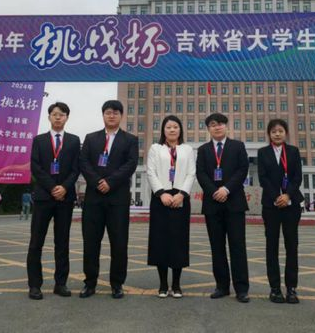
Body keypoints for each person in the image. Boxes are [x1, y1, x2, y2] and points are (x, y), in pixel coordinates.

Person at [79, 100, 139, 299]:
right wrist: (97, 182)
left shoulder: (130, 140)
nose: (111, 115)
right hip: (94, 198)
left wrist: (110, 182)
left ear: (121, 115)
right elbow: (83, 162)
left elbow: (131, 164)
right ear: (103, 115)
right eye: (108, 112)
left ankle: (117, 283)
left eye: (115, 112)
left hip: (118, 199)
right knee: (91, 242)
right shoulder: (91, 138)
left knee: (119, 242)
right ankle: (90, 283)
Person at [26, 102, 81, 300]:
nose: (58, 117)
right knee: (36, 241)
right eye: (55, 114)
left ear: (67, 117)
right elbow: (36, 167)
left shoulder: (74, 141)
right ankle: (34, 285)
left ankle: (61, 283)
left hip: (65, 198)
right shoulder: (39, 140)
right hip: (43, 197)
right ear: (49, 117)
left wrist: (64, 187)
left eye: (62, 114)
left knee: (62, 242)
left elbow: (76, 168)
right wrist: (52, 187)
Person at [196, 113, 250, 303]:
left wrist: (226, 189)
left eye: (220, 124)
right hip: (212, 204)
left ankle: (241, 288)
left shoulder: (238, 146)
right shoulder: (203, 150)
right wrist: (214, 191)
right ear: (208, 129)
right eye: (213, 124)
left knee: (237, 246)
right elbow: (201, 173)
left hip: (234, 203)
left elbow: (242, 170)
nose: (217, 127)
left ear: (226, 126)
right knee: (217, 247)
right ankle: (222, 286)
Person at [146, 115, 196, 298]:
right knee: (160, 241)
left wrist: (182, 194)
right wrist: (161, 193)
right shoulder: (155, 148)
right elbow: (151, 172)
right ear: (163, 130)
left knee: (178, 241)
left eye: (175, 126)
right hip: (161, 198)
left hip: (180, 198)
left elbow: (191, 173)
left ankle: (176, 284)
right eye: (168, 127)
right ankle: (162, 284)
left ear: (180, 130)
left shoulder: (187, 149)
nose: (172, 130)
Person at [257, 119, 304, 304]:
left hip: (291, 205)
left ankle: (291, 288)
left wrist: (287, 195)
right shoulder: (263, 152)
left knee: (292, 246)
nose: (277, 134)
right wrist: (277, 196)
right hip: (271, 205)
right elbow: (263, 178)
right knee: (272, 247)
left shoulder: (293, 151)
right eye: (274, 131)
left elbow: (297, 177)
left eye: (281, 131)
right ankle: (275, 289)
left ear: (286, 133)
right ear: (269, 134)